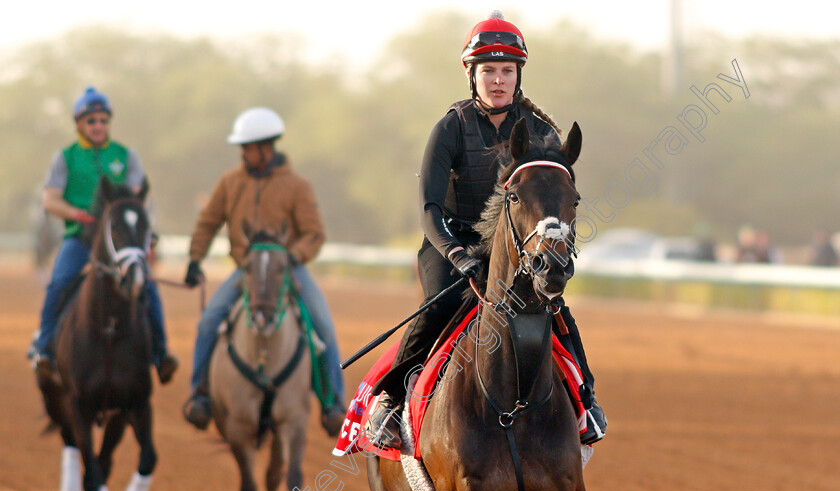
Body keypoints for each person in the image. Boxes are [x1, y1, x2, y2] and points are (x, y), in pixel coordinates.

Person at [365, 11, 607, 448]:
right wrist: (458, 257)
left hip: (517, 251)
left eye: (507, 72)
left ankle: (586, 400)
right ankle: (391, 400)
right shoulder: (450, 128)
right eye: (489, 71)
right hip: (451, 247)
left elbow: (555, 201)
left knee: (557, 311)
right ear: (471, 75)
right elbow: (428, 208)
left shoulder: (542, 133)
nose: (498, 80)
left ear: (518, 77)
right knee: (439, 309)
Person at [181, 107, 346, 435]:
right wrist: (194, 259)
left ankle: (333, 404)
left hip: (289, 270)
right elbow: (208, 222)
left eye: (248, 147)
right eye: (242, 147)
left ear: (267, 147)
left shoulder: (297, 186)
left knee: (324, 327)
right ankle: (200, 394)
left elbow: (314, 234)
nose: (243, 153)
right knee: (210, 319)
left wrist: (291, 257)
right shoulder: (230, 183)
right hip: (246, 271)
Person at [30, 87, 178, 385]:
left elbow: (140, 197)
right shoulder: (65, 158)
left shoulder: (126, 156)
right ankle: (44, 348)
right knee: (59, 283)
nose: (98, 126)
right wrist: (77, 214)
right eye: (91, 120)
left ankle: (161, 354)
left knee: (147, 287)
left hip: (120, 241)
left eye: (103, 120)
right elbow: (50, 200)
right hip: (80, 238)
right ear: (79, 124)